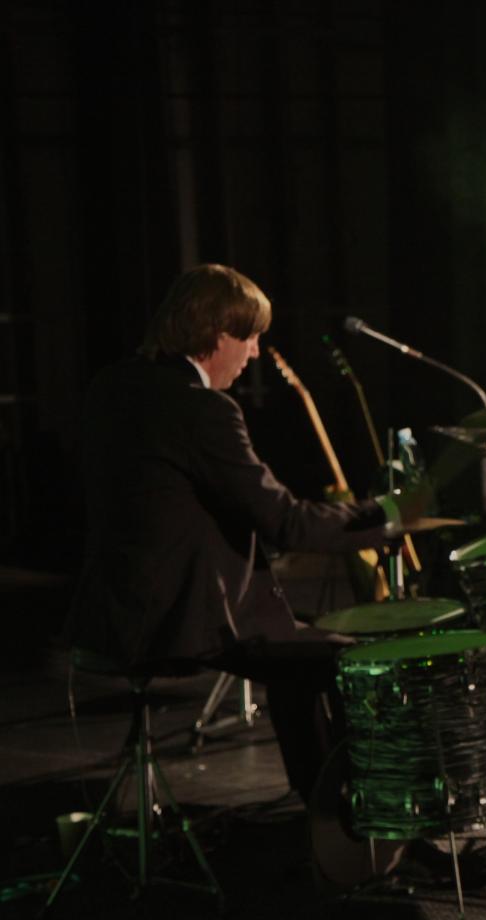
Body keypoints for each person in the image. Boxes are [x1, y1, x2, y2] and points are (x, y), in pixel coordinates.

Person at [69, 263, 421, 803]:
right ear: (217, 335)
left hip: (111, 614)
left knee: (296, 648)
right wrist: (388, 515)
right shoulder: (202, 409)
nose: (254, 352)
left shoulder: (111, 387)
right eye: (250, 337)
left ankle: (318, 803)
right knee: (346, 660)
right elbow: (286, 522)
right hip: (179, 620)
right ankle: (350, 814)